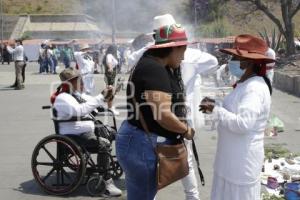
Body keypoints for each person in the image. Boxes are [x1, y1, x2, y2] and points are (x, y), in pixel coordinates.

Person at [126, 14, 219, 200]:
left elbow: (130, 61)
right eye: (182, 48)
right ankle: (192, 196)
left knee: (156, 172)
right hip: (169, 118)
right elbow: (213, 63)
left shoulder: (144, 54)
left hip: (160, 118)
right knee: (181, 161)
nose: (184, 54)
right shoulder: (163, 61)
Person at [116, 24, 195, 200]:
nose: (184, 56)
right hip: (140, 144)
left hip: (137, 140)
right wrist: (186, 130)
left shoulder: (151, 64)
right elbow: (163, 115)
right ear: (173, 49)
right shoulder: (154, 70)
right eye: (183, 49)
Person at [199, 34, 274, 200]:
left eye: (234, 57)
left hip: (241, 163)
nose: (231, 61)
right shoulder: (244, 84)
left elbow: (243, 124)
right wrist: (216, 105)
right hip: (230, 160)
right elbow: (233, 110)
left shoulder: (254, 88)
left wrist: (216, 109)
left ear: (247, 62)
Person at [52, 67, 122, 197]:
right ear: (69, 83)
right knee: (103, 144)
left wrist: (108, 95)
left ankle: (114, 164)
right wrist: (101, 96)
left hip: (87, 131)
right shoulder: (63, 98)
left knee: (117, 134)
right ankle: (107, 183)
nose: (82, 82)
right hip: (73, 135)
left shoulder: (78, 95)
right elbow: (80, 111)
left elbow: (96, 106)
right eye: (78, 80)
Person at [103, 44, 119, 114]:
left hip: (112, 75)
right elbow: (109, 62)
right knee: (111, 91)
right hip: (110, 75)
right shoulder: (109, 55)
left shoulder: (112, 55)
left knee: (112, 90)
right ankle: (110, 107)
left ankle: (110, 106)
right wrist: (110, 67)